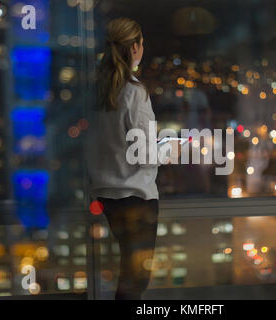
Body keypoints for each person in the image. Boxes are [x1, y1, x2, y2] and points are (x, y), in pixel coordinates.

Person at [86, 17, 177, 300]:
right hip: (135, 199)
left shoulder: (97, 90)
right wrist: (169, 147)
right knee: (135, 282)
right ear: (136, 47)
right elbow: (146, 155)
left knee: (129, 278)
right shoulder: (134, 93)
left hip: (106, 196)